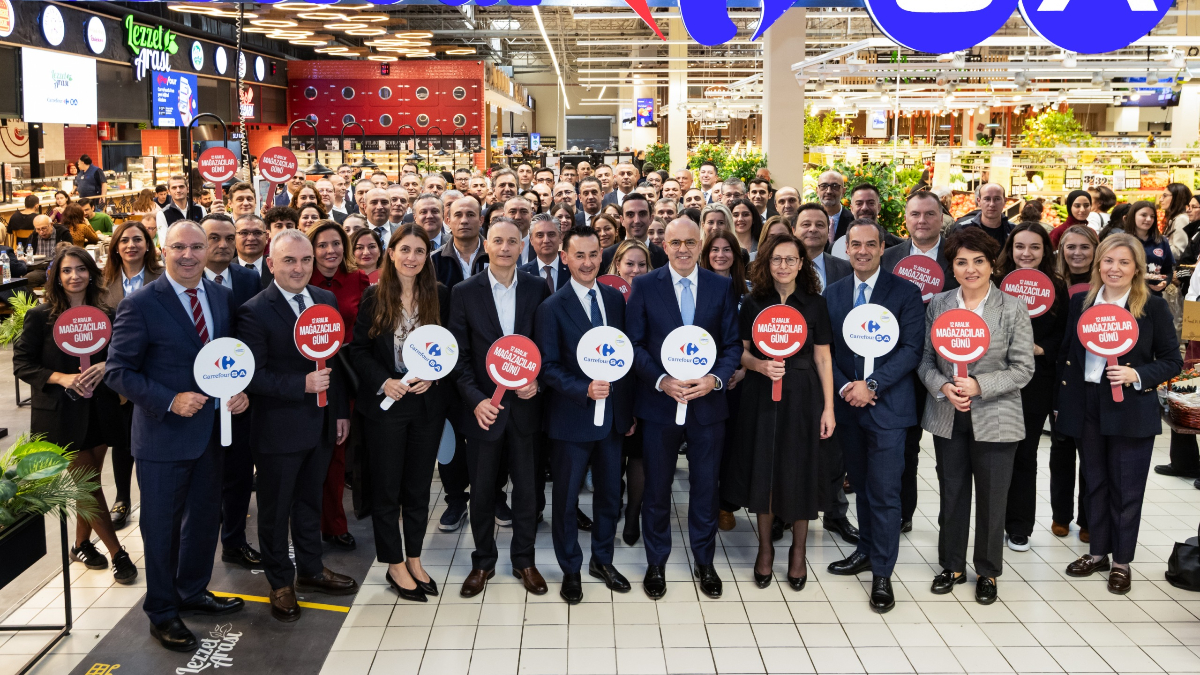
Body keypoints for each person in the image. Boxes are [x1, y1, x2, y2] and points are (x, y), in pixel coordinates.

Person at [105, 221, 248, 651]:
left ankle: (192, 590)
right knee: (162, 528)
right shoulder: (141, 303)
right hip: (164, 436)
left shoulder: (221, 296)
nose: (189, 255)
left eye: (197, 247)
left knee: (205, 519)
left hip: (210, 434)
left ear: (210, 251)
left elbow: (225, 357)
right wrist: (169, 400)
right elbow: (118, 372)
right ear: (163, 251)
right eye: (179, 247)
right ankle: (163, 611)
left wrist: (236, 389)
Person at [237, 229, 357, 622]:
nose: (299, 267)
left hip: (321, 425)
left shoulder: (324, 299)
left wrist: (338, 411)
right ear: (271, 264)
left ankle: (310, 569)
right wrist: (299, 385)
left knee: (310, 503)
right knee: (275, 510)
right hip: (278, 430)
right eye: (289, 260)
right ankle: (280, 582)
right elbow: (250, 375)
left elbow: (334, 363)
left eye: (306, 260)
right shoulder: (254, 310)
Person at [1057, 234, 1182, 594]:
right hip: (1088, 403)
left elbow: (1172, 360)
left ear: (1137, 268)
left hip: (1130, 406)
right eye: (1108, 261)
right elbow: (1067, 353)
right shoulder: (1082, 301)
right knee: (1094, 482)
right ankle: (1097, 553)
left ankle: (1122, 561)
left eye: (1124, 262)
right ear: (1098, 265)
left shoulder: (1151, 306)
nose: (1115, 268)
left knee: (1127, 487)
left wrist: (1137, 375)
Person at [625, 216, 742, 599]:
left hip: (707, 406)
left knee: (706, 487)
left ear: (701, 243)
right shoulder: (645, 285)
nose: (682, 250)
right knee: (656, 488)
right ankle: (656, 561)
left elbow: (730, 347)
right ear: (665, 245)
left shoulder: (721, 286)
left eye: (691, 242)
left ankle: (704, 560)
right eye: (675, 243)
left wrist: (715, 380)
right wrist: (661, 380)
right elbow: (635, 345)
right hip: (660, 403)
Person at [919, 227, 1034, 605]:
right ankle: (951, 564)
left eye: (979, 262)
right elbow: (924, 361)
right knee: (952, 494)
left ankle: (987, 571)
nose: (971, 269)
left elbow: (1023, 368)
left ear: (992, 264)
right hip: (948, 414)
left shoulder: (1013, 307)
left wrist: (980, 385)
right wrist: (944, 386)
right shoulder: (938, 305)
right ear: (951, 267)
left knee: (992, 497)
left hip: (997, 415)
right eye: (961, 262)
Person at [14, 246, 138, 584]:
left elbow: (122, 355)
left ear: (91, 273)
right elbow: (23, 364)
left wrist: (104, 365)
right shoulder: (41, 317)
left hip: (100, 410)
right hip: (60, 414)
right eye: (67, 270)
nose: (74, 276)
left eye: (80, 269)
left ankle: (81, 544)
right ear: (57, 276)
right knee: (88, 486)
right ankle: (117, 553)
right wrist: (62, 377)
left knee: (90, 483)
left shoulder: (107, 314)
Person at [823, 219, 925, 613]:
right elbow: (825, 350)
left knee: (885, 492)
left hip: (888, 409)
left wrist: (873, 385)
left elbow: (911, 349)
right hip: (849, 406)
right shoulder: (832, 294)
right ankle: (865, 550)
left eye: (870, 244)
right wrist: (849, 385)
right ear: (845, 249)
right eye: (855, 245)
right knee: (861, 486)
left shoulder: (905, 292)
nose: (862, 251)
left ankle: (883, 572)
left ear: (884, 248)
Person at [347, 224, 453, 602]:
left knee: (419, 489)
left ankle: (415, 557)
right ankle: (393, 562)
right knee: (387, 489)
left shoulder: (439, 295)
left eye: (419, 251)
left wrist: (436, 377)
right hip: (387, 406)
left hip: (426, 405)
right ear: (390, 253)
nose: (412, 258)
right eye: (404, 250)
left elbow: (450, 349)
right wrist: (383, 381)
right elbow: (357, 350)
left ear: (428, 257)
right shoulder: (375, 297)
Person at [725, 233, 835, 590]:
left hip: (804, 395)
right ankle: (765, 549)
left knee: (800, 469)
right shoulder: (752, 302)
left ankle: (799, 552)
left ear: (802, 263)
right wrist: (757, 366)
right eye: (776, 259)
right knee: (765, 468)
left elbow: (823, 357)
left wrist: (829, 408)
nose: (783, 266)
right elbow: (739, 352)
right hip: (760, 394)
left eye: (790, 259)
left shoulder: (816, 304)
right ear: (766, 263)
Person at [447, 218, 550, 598]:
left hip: (525, 409)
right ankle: (483, 561)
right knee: (483, 490)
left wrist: (536, 382)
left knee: (527, 491)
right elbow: (457, 357)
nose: (505, 247)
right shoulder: (463, 292)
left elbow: (544, 345)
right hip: (484, 411)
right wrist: (475, 401)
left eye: (512, 241)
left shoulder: (538, 288)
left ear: (522, 247)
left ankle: (524, 559)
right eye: (498, 241)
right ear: (486, 246)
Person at [534, 224, 634, 604]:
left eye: (594, 254)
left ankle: (602, 560)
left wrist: (626, 412)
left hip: (612, 421)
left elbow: (623, 358)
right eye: (579, 255)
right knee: (566, 499)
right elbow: (548, 366)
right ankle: (571, 568)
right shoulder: (551, 308)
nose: (588, 262)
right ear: (565, 258)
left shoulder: (615, 300)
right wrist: (583, 389)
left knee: (611, 494)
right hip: (571, 420)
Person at [880, 191, 959, 532]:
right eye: (915, 214)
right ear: (906, 219)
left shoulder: (958, 257)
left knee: (949, 452)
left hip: (948, 366)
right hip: (900, 363)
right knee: (904, 446)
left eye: (930, 214)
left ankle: (952, 523)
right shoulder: (890, 256)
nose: (922, 221)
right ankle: (903, 513)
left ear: (942, 217)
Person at [994, 223, 1068, 552]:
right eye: (1019, 246)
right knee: (994, 457)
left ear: (1045, 251)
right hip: (995, 381)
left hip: (1036, 383)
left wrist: (1041, 349)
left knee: (1025, 456)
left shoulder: (1057, 286)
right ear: (1010, 249)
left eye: (1035, 247)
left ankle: (1019, 526)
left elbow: (1064, 336)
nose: (1026, 253)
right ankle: (991, 521)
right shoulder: (994, 284)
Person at [198, 214, 265, 569]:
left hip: (238, 396)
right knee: (204, 478)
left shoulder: (248, 278)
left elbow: (255, 337)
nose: (222, 245)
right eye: (214, 238)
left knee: (239, 473)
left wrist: (247, 388)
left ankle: (235, 541)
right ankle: (199, 550)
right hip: (195, 400)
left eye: (228, 238)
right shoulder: (187, 282)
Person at [307, 221, 371, 550]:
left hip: (347, 377)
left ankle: (334, 523)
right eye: (322, 245)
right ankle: (306, 522)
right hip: (309, 377)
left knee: (338, 453)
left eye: (336, 244)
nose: (330, 251)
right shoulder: (302, 281)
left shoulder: (358, 279)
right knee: (312, 454)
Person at [101, 221, 162, 530]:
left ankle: (153, 500)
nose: (131, 245)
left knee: (150, 440)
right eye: (124, 240)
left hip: (153, 373)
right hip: (117, 374)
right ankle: (122, 499)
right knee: (121, 441)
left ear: (148, 245)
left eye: (138, 239)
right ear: (115, 246)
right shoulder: (102, 284)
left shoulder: (162, 278)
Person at [1050, 224, 1098, 539]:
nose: (1077, 253)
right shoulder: (1050, 285)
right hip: (1055, 375)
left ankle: (1088, 519)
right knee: (1061, 450)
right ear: (1061, 251)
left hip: (1089, 377)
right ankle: (1061, 516)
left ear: (1096, 250)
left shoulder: (1102, 285)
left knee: (1091, 453)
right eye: (1071, 247)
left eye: (1084, 247)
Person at [432, 196, 489, 290]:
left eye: (470, 215)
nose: (464, 221)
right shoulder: (435, 259)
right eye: (458, 215)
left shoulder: (494, 255)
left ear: (481, 220)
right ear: (448, 221)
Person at [1126, 200, 1174, 297]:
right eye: (1144, 215)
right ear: (1133, 216)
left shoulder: (1162, 241)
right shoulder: (1122, 240)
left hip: (1154, 295)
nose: (1148, 219)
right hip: (1128, 294)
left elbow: (1168, 270)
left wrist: (1164, 283)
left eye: (1152, 216)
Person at [953, 183, 1014, 249]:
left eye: (997, 199)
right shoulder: (963, 229)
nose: (992, 204)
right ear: (979, 201)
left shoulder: (1013, 230)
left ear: (1004, 201)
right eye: (987, 199)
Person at [520, 213, 570, 292]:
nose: (546, 240)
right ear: (531, 240)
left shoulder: (572, 269)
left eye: (551, 234)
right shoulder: (521, 274)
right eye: (540, 235)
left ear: (560, 237)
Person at [700, 229, 748, 294]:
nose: (720, 255)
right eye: (715, 250)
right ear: (708, 255)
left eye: (726, 250)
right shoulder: (696, 289)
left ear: (734, 255)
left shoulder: (750, 290)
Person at [817, 171, 853, 241]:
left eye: (835, 186)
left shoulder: (853, 221)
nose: (829, 191)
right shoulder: (809, 221)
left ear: (843, 191)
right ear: (817, 191)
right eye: (824, 186)